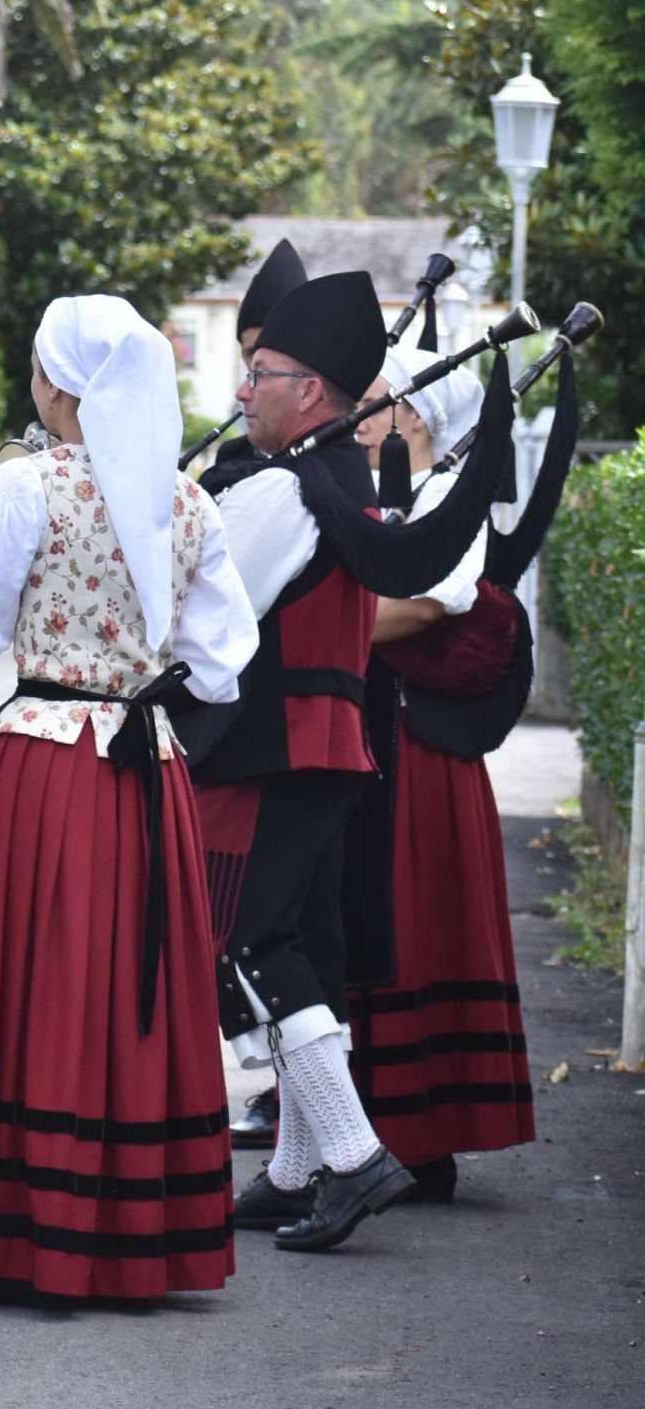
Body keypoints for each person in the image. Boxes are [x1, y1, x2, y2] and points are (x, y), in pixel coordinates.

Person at [0, 296, 257, 1303]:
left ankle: (21, 1235)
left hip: (42, 765)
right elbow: (225, 663)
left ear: (58, 387)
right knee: (127, 987)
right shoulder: (188, 502)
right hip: (146, 764)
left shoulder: (28, 487)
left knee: (30, 984)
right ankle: (130, 1238)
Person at [192, 272, 423, 1251]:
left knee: (251, 944)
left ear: (313, 391)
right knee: (289, 943)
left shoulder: (285, 487)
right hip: (320, 744)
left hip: (278, 745)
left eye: (261, 373)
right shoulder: (335, 476)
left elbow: (204, 610)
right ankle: (294, 1168)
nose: (245, 391)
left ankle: (355, 1153)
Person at [342, 351, 534, 1201]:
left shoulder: (457, 512)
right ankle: (347, 1122)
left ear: (416, 419)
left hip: (418, 757)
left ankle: (422, 1134)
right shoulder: (367, 496)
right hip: (370, 738)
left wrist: (315, 631)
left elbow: (424, 604)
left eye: (376, 402)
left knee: (416, 923)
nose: (359, 412)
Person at [197, 238, 308, 502]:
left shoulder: (340, 455)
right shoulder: (230, 460)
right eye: (252, 354)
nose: (260, 365)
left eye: (272, 354)